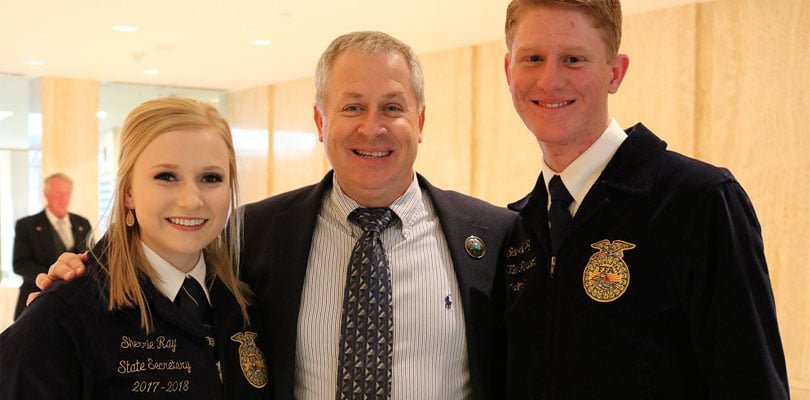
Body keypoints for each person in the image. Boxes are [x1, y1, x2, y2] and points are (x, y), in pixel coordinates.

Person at [36, 32, 516, 399]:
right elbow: (156, 253)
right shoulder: (252, 232)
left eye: (392, 107)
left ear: (421, 121)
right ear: (320, 121)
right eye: (352, 106)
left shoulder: (493, 236)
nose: (373, 127)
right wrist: (82, 272)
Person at [500, 0, 789, 398]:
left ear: (615, 73)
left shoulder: (699, 201)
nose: (550, 80)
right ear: (508, 70)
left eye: (573, 59)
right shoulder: (516, 230)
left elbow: (750, 382)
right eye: (532, 58)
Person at [0, 97, 269, 399]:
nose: (192, 200)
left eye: (211, 178)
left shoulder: (246, 301)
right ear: (128, 192)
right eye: (166, 176)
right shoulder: (61, 318)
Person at [11, 172, 92, 320]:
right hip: (35, 301)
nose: (64, 198)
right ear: (46, 194)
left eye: (67, 193)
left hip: (74, 306)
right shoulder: (26, 225)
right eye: (59, 193)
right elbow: (20, 264)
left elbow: (89, 259)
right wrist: (54, 279)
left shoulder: (82, 223)